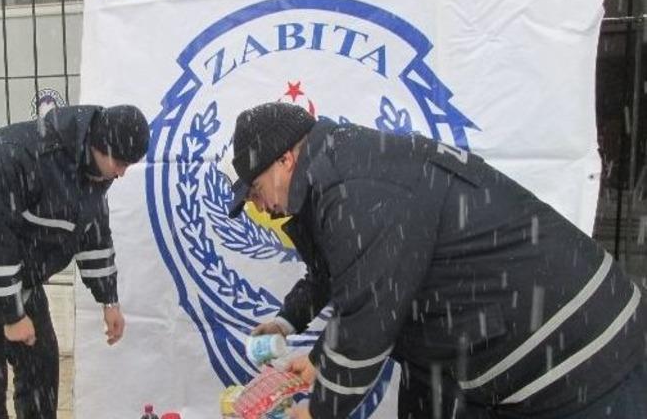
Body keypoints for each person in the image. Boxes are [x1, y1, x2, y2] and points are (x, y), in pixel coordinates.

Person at [227, 102, 647, 419]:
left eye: (256, 188)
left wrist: (317, 411)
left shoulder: (358, 185)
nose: (257, 203)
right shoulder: (338, 170)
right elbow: (345, 276)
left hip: (582, 354)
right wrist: (316, 355)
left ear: (285, 160)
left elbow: (369, 315)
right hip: (531, 348)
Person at [0, 104, 149, 418]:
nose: (122, 173)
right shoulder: (14, 155)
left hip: (25, 283)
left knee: (42, 375)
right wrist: (11, 315)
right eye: (121, 163)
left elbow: (93, 234)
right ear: (97, 144)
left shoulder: (94, 168)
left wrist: (109, 300)